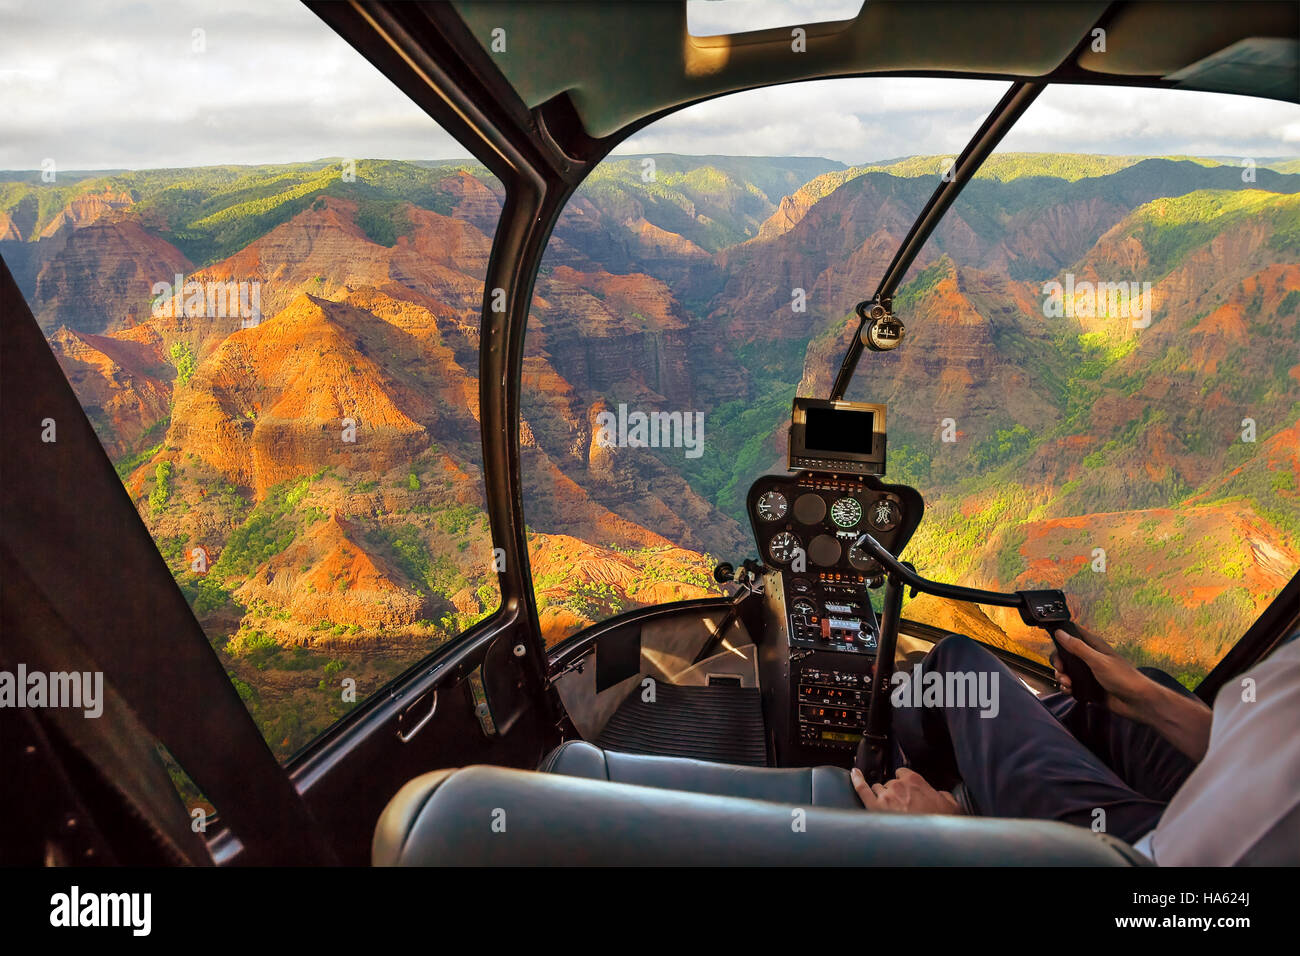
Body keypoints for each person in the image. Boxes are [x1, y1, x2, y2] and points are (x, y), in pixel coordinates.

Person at [850, 625, 1300, 865]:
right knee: (1125, 699)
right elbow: (1267, 747)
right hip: (1217, 804)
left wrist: (950, 841)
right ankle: (995, 761)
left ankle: (912, 776)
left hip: (1146, 858)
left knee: (960, 667)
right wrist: (1145, 698)